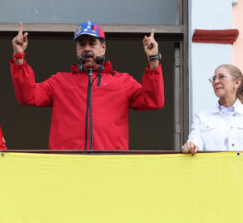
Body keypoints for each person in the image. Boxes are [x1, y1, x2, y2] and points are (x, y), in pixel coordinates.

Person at [10, 21, 164, 150]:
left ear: (103, 48)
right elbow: (27, 96)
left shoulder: (122, 81)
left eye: (92, 43)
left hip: (110, 166)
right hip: (66, 166)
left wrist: (153, 60)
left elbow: (154, 101)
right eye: (82, 44)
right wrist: (19, 56)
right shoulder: (59, 81)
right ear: (76, 49)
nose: (87, 48)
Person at [182, 64, 243, 158]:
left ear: (237, 82)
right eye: (214, 78)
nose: (216, 81)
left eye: (221, 77)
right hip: (214, 173)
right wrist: (190, 145)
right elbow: (195, 143)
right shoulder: (202, 117)